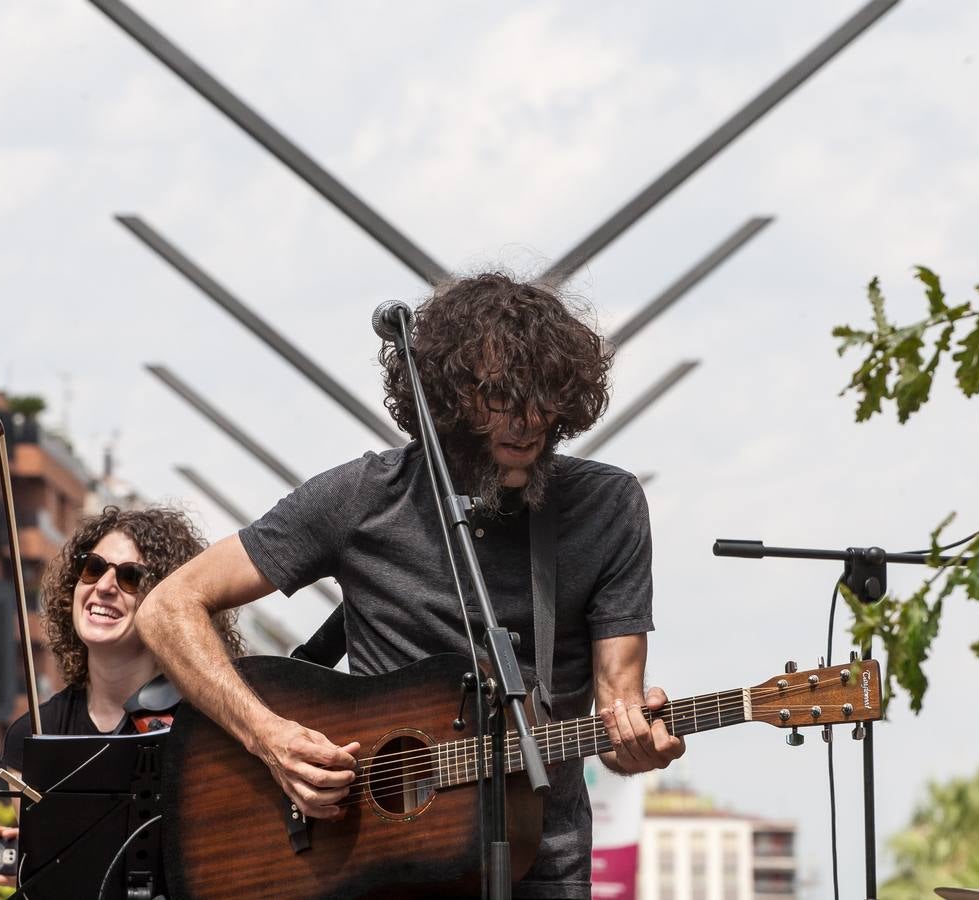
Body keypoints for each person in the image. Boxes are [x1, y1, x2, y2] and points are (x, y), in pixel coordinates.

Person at [138, 272, 685, 899]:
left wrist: (636, 744)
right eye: (502, 397)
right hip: (375, 860)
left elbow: (620, 708)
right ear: (449, 395)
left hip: (543, 860)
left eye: (546, 397)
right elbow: (168, 606)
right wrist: (269, 738)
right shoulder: (361, 498)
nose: (529, 420)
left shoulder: (606, 506)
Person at [0, 504, 244, 773]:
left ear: (168, 604)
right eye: (93, 568)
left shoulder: (206, 732)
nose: (104, 587)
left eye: (131, 577)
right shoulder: (36, 733)